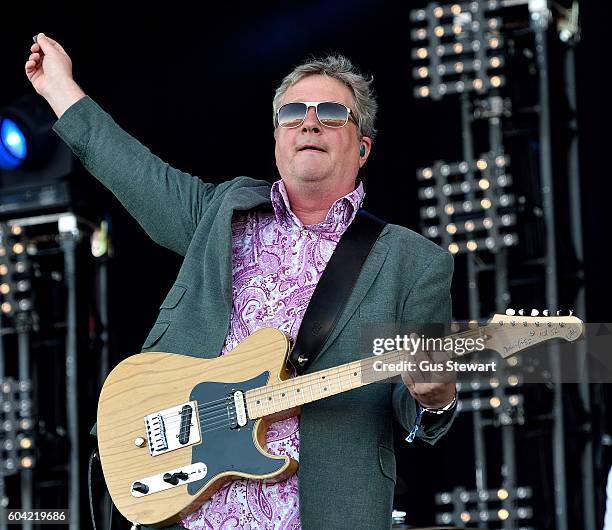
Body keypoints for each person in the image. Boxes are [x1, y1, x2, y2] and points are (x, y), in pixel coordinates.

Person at [25, 33, 457, 530]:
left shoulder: (412, 262)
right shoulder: (224, 212)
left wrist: (435, 395)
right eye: (294, 113)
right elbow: (135, 173)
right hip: (189, 502)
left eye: (332, 113)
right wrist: (60, 88)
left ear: (362, 148)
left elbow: (419, 406)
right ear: (277, 138)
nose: (310, 122)